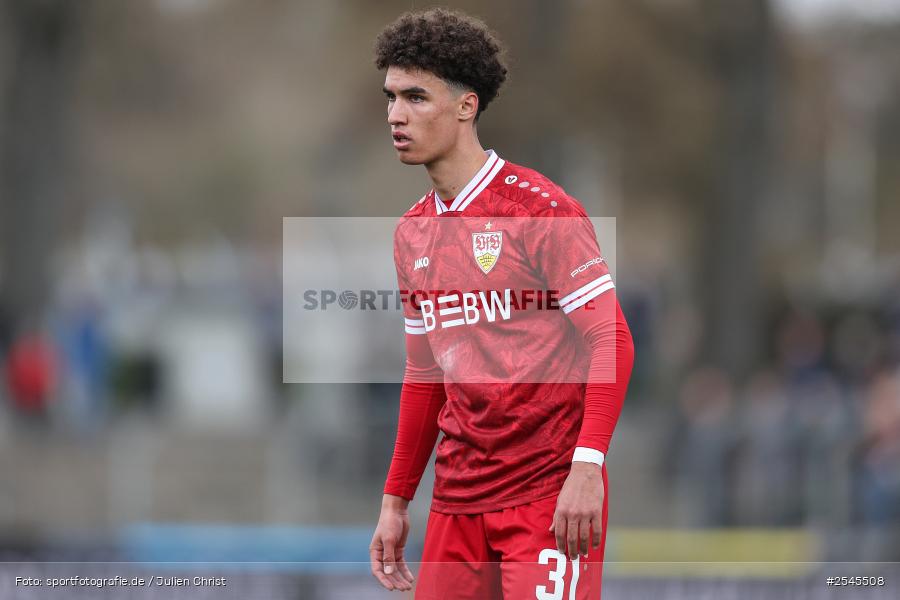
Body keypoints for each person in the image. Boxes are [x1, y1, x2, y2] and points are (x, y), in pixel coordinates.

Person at [369, 8, 634, 599]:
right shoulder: (411, 233)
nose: (395, 115)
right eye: (391, 97)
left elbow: (612, 339)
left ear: (466, 106)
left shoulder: (541, 210)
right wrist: (395, 500)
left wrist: (587, 466)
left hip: (547, 494)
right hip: (457, 501)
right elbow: (425, 375)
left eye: (416, 97)